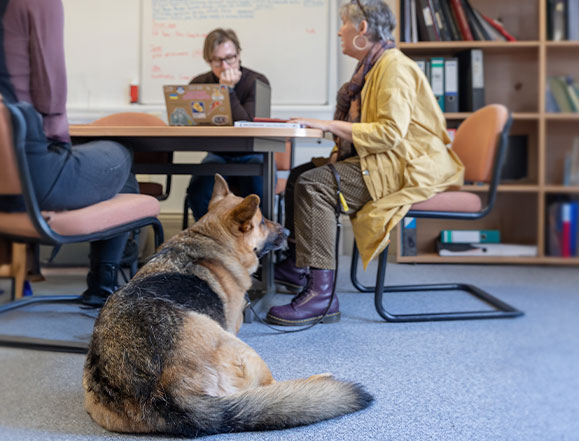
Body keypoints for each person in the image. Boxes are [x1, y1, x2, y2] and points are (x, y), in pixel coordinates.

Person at [266, 0, 465, 326]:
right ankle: (297, 265)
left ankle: (322, 295)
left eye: (344, 23)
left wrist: (329, 125)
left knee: (315, 185)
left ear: (362, 29)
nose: (340, 31)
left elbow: (389, 134)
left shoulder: (394, 67)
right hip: (382, 160)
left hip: (401, 167)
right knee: (302, 173)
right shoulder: (370, 70)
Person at [0, 0, 138, 307]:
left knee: (105, 166)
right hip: (33, 178)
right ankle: (101, 289)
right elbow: (50, 89)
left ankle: (102, 286)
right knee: (120, 158)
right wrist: (61, 151)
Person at [185, 28, 271, 220]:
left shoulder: (258, 82)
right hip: (217, 155)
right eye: (217, 60)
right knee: (198, 191)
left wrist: (228, 91)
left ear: (239, 54)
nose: (224, 66)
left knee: (258, 191)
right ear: (209, 60)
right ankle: (212, 240)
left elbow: (248, 125)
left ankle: (254, 245)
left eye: (230, 58)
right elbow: (192, 125)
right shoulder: (199, 84)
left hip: (253, 155)